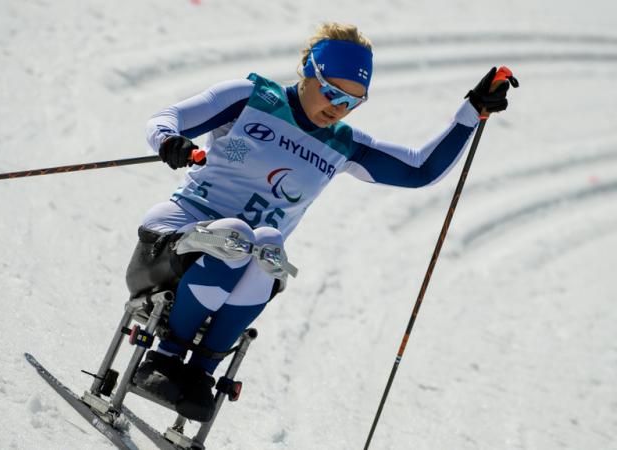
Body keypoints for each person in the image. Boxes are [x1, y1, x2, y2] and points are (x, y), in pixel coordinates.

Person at [124, 23, 517, 423]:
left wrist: (472, 111)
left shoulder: (342, 143)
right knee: (239, 237)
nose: (339, 108)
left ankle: (200, 374)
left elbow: (419, 169)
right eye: (331, 92)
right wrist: (170, 141)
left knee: (268, 247)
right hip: (172, 239)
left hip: (244, 256)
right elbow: (166, 118)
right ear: (308, 72)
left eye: (353, 101)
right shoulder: (252, 98)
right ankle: (163, 360)